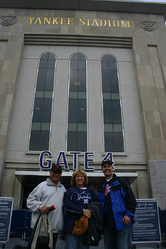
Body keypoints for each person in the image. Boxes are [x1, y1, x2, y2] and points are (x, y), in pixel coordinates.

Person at [97, 159, 136, 249]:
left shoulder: (121, 182)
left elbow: (131, 201)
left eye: (108, 166)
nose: (107, 168)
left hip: (122, 223)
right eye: (104, 167)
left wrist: (129, 215)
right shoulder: (101, 186)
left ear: (112, 168)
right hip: (107, 224)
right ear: (102, 169)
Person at [27, 163, 66, 249]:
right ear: (50, 173)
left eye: (58, 173)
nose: (56, 174)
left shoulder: (63, 188)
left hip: (54, 229)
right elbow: (30, 201)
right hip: (41, 228)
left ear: (61, 174)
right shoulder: (42, 186)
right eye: (54, 172)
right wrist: (40, 206)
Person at [63, 169, 99, 249]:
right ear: (74, 179)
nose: (80, 178)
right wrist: (82, 211)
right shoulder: (70, 191)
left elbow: (97, 203)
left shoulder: (90, 190)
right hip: (72, 227)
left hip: (86, 227)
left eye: (82, 176)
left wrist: (91, 211)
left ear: (85, 178)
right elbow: (67, 205)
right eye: (77, 176)